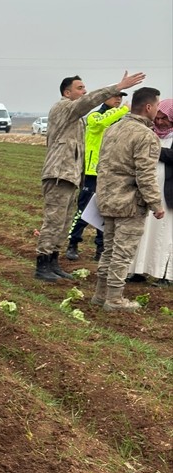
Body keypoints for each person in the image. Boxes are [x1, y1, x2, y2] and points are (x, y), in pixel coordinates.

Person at [35, 70, 145, 282]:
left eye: (85, 88)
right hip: (58, 175)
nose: (84, 91)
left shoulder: (77, 119)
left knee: (64, 222)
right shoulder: (63, 108)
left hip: (70, 176)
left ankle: (53, 262)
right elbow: (88, 101)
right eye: (80, 88)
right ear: (67, 93)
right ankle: (43, 264)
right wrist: (117, 87)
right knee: (54, 221)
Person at [92, 87, 164, 312]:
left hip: (107, 198)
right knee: (122, 253)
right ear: (149, 107)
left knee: (109, 249)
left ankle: (100, 294)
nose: (158, 110)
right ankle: (114, 299)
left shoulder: (113, 129)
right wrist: (155, 204)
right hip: (129, 202)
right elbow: (145, 174)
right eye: (157, 105)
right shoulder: (146, 136)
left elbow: (102, 165)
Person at [65, 94, 129, 261]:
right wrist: (123, 110)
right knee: (84, 208)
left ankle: (101, 248)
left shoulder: (120, 119)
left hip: (112, 172)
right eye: (115, 96)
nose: (118, 100)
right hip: (93, 172)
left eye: (120, 97)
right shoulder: (94, 116)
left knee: (106, 211)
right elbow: (102, 123)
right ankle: (73, 242)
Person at [128, 97, 173, 284]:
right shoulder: (149, 133)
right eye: (158, 118)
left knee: (165, 235)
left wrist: (154, 149)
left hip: (167, 196)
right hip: (147, 193)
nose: (160, 122)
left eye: (165, 118)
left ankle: (164, 274)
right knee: (143, 232)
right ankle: (139, 271)